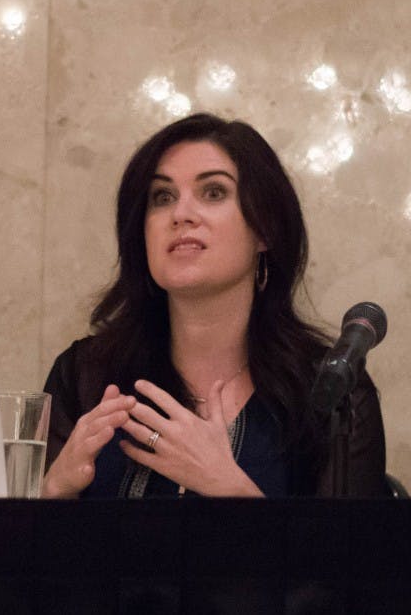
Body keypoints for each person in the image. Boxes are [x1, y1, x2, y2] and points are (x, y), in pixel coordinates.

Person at [42, 113, 387, 499]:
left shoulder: (331, 391)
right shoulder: (85, 375)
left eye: (213, 192)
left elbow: (353, 558)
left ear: (265, 228)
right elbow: (27, 553)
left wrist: (232, 492)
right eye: (162, 197)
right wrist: (53, 491)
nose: (181, 214)